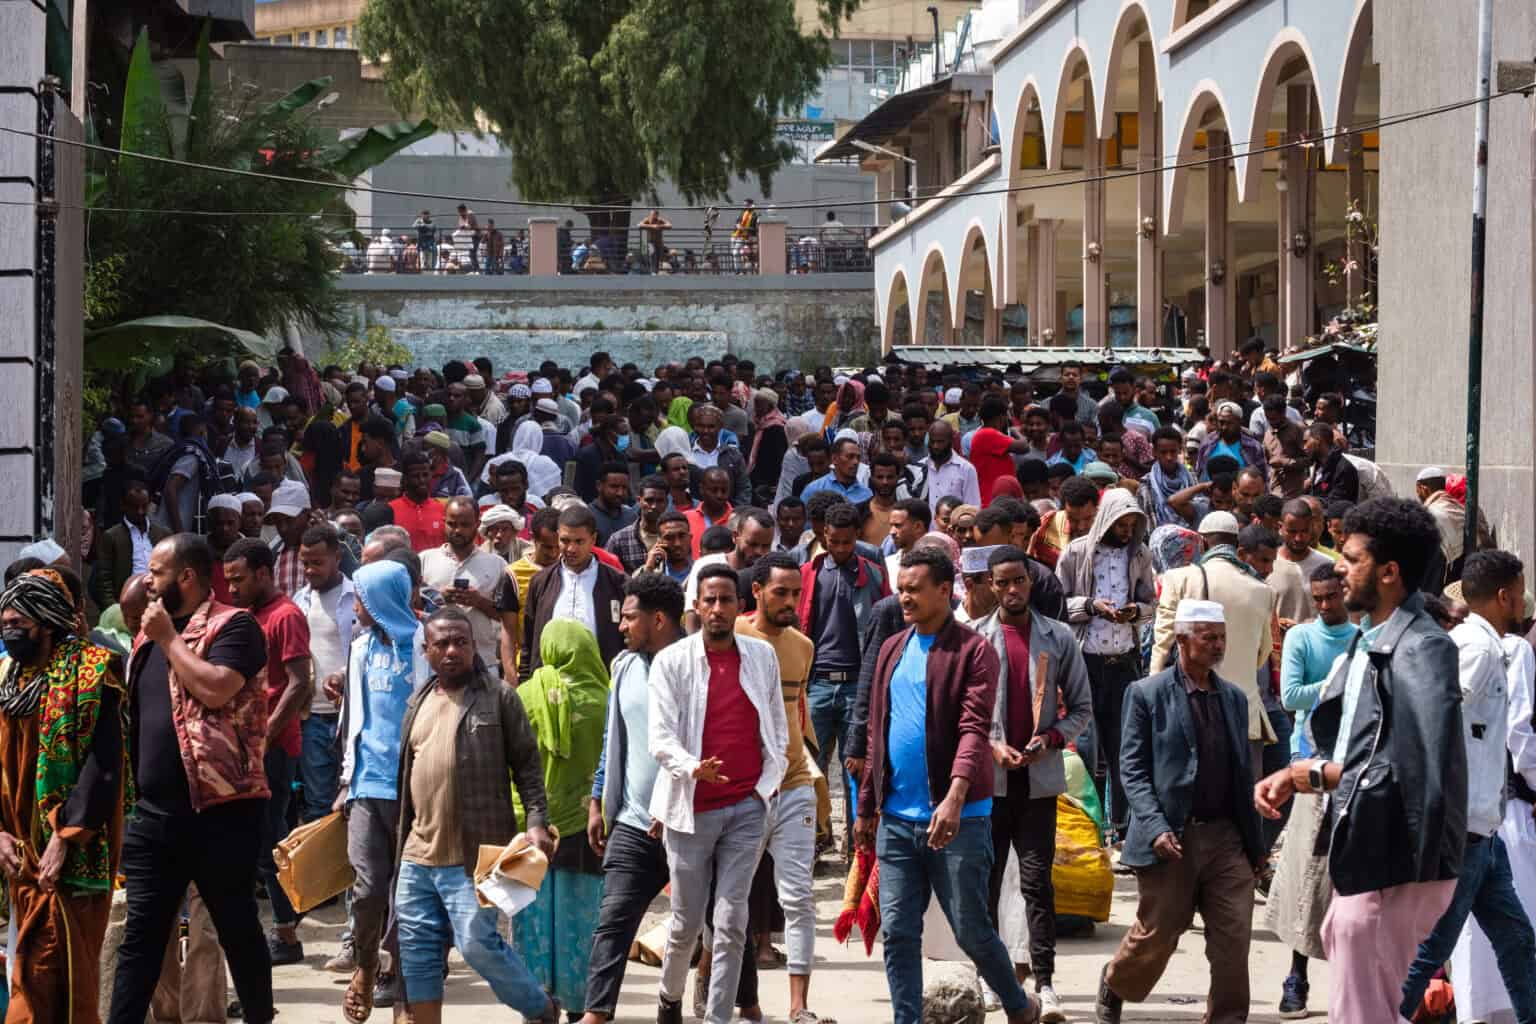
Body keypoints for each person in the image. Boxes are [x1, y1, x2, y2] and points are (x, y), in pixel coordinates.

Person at [1253, 498, 1466, 1024]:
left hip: (1393, 863)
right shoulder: (1371, 640)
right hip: (1370, 857)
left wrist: (1316, 775)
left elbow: (1420, 768)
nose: (1338, 569)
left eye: (1351, 558)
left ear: (1390, 573)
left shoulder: (1421, 648)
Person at [853, 546, 1041, 1024]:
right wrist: (865, 809)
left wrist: (954, 799)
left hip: (961, 819)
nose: (905, 599)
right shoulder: (893, 647)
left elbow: (974, 729)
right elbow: (878, 729)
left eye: (914, 590)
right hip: (897, 819)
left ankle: (1019, 1007)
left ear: (944, 590)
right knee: (897, 930)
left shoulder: (973, 651)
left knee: (971, 929)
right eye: (901, 590)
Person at [108, 535, 275, 1024]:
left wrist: (167, 639)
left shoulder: (235, 626)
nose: (147, 582)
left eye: (156, 573)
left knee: (237, 929)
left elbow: (217, 689)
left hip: (223, 813)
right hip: (157, 818)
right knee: (140, 938)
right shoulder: (147, 637)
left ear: (186, 577)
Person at [1096, 599, 1266, 1024]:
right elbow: (1131, 770)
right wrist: (1154, 826)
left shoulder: (1232, 697)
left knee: (1232, 939)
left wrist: (1256, 847)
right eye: (1209, 638)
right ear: (1182, 641)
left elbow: (1242, 774)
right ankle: (1116, 982)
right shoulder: (1145, 694)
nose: (1218, 646)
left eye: (1222, 638)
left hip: (1225, 839)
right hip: (1171, 837)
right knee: (1159, 934)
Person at [394, 607, 560, 1023]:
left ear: (472, 645)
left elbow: (527, 766)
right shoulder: (416, 702)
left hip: (476, 854)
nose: (453, 650)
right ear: (426, 650)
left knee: (477, 943)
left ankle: (540, 1009)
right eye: (442, 644)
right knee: (416, 955)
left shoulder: (500, 695)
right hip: (417, 855)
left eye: (461, 642)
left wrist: (536, 822)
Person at [1399, 551, 1536, 1020]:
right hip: (1464, 835)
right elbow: (1437, 721)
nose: (1522, 600)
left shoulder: (1490, 646)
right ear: (1504, 596)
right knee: (1429, 951)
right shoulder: (1476, 651)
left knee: (1518, 941)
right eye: (1518, 592)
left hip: (1484, 830)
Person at [649, 564, 788, 1024]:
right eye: (708, 600)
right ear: (696, 605)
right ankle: (669, 998)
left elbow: (776, 728)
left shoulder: (761, 656)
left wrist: (765, 789)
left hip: (747, 808)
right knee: (687, 925)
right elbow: (660, 738)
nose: (717, 608)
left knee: (731, 924)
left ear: (739, 605)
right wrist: (693, 768)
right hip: (690, 810)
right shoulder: (672, 661)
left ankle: (717, 1018)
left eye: (725, 600)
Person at [0, 569, 129, 1023]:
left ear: (49, 621)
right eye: (6, 623)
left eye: (21, 623)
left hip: (73, 850)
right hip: (17, 853)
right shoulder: (6, 677)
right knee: (29, 969)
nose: (10, 632)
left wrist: (65, 837)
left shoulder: (91, 670)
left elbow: (104, 766)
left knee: (59, 973)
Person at [973, 546, 1092, 1022]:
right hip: (992, 781)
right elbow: (965, 714)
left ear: (1030, 581)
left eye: (1018, 580)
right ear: (990, 585)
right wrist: (990, 744)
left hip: (1039, 781)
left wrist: (1054, 737)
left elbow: (1081, 708)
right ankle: (988, 977)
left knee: (1038, 883)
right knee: (986, 880)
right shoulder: (976, 638)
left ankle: (1045, 982)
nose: (1011, 590)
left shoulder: (1057, 637)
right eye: (1002, 583)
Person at [580, 574, 685, 1024]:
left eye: (628, 617)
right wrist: (598, 797)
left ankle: (745, 1004)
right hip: (632, 821)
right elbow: (612, 737)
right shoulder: (623, 665)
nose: (621, 626)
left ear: (657, 619)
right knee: (614, 919)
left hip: (687, 822)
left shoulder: (693, 666)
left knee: (714, 923)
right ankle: (596, 1014)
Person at [336, 559, 431, 1022]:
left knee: (410, 896)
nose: (356, 605)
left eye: (362, 597)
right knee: (370, 888)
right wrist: (344, 780)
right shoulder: (358, 648)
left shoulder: (425, 644)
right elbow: (353, 717)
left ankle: (405, 998)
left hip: (416, 787)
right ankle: (367, 965)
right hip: (366, 784)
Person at [736, 553, 830, 1023]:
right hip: (743, 788)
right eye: (781, 592)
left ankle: (799, 1006)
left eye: (797, 593)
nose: (791, 601)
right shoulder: (731, 635)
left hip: (793, 783)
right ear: (757, 591)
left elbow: (799, 715)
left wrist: (817, 784)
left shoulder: (803, 646)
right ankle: (713, 984)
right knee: (728, 898)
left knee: (798, 898)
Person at [1267, 562, 1359, 1018]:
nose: (1325, 606)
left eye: (1331, 597)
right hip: (1310, 761)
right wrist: (1341, 683)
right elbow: (1291, 696)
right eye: (1317, 598)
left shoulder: (1365, 636)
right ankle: (1296, 977)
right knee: (1307, 874)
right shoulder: (1304, 637)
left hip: (1356, 766)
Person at [221, 536, 313, 965]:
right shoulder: (246, 615)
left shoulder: (286, 615)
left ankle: (286, 934)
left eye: (239, 579)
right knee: (257, 841)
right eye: (228, 581)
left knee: (271, 841)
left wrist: (265, 737)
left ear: (263, 573)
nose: (233, 588)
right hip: (248, 743)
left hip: (274, 748)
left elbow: (299, 683)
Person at [513, 620, 611, 1014]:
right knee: (581, 914)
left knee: (532, 914)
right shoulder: (605, 698)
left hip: (530, 824)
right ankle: (580, 1004)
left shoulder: (525, 696)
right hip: (590, 824)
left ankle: (536, 1002)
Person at [1451, 591, 1536, 1024]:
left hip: (1472, 811)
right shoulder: (1513, 649)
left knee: (1482, 930)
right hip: (1505, 809)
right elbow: (1518, 731)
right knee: (1511, 923)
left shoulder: (1462, 642)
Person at [1054, 487, 1154, 841]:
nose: (1126, 531)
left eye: (1131, 525)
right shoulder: (1076, 553)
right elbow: (1058, 605)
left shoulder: (1139, 554)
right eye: (1120, 524)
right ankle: (1092, 824)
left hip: (1123, 660)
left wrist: (1134, 613)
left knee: (1122, 745)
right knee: (1086, 745)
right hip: (1086, 659)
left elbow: (1150, 603)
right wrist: (1092, 607)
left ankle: (1124, 827)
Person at [1151, 511, 1277, 771]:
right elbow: (1263, 653)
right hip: (1245, 717)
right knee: (1246, 801)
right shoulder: (1262, 590)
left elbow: (1162, 642)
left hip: (1190, 714)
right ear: (1236, 544)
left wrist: (1155, 691)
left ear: (1204, 542)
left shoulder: (1179, 578)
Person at [800, 501, 889, 851]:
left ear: (857, 538)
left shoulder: (875, 574)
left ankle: (857, 849)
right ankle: (813, 843)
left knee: (857, 770)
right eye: (833, 542)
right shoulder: (808, 574)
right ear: (824, 536)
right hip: (818, 682)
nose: (839, 550)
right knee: (811, 770)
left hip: (857, 685)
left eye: (846, 543)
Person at [292, 524, 355, 824]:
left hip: (351, 715)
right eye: (305, 562)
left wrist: (343, 676)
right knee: (317, 803)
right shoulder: (299, 601)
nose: (309, 569)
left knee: (351, 801)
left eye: (317, 562)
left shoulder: (357, 597)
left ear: (337, 557)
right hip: (313, 715)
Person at [521, 505, 627, 677]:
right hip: (549, 686)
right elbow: (528, 640)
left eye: (579, 541)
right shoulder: (540, 582)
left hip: (601, 685)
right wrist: (526, 682)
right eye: (565, 541)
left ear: (593, 539)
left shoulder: (617, 583)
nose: (571, 549)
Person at [420, 497, 509, 673]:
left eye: (465, 524)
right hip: (435, 666)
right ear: (443, 522)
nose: (458, 530)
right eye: (452, 524)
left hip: (482, 663)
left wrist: (479, 602)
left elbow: (507, 618)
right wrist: (439, 598)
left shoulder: (497, 565)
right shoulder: (424, 560)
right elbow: (412, 610)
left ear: (477, 524)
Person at [93, 478, 169, 610]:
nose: (140, 511)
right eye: (134, 507)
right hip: (126, 606)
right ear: (123, 505)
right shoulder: (111, 537)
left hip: (158, 604)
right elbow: (104, 580)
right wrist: (114, 609)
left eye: (144, 506)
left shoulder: (163, 534)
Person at [970, 395, 1047, 504]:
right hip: (992, 499)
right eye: (1006, 416)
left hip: (999, 498)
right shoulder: (987, 434)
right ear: (1001, 417)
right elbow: (1024, 447)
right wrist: (1016, 431)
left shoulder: (988, 434)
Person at [1137, 426, 1203, 528]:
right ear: (1154, 452)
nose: (1169, 457)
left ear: (1180, 450)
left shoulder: (1191, 477)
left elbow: (1198, 508)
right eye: (1163, 452)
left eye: (1173, 451)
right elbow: (1148, 522)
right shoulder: (1146, 484)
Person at [605, 474, 668, 574]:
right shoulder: (619, 540)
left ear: (667, 503)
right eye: (649, 500)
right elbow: (608, 579)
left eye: (660, 501)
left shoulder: (675, 538)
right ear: (639, 501)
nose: (654, 506)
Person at [390, 452, 449, 552]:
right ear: (405, 479)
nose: (422, 480)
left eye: (425, 475)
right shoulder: (390, 509)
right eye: (415, 476)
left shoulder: (443, 509)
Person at [1194, 401, 1267, 481]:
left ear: (1239, 422)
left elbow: (1262, 478)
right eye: (1221, 422)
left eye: (1229, 423)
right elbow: (1199, 471)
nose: (1224, 427)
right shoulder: (1207, 443)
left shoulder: (1253, 447)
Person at [922, 420, 980, 513]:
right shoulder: (921, 467)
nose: (935, 446)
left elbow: (972, 508)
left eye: (940, 442)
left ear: (951, 441)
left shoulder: (965, 469)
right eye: (932, 441)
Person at [684, 468, 737, 560]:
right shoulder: (686, 518)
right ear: (701, 489)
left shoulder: (738, 520)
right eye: (714, 490)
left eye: (724, 490)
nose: (719, 495)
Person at [1304, 421, 1359, 503]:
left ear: (1318, 441)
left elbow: (1336, 504)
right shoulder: (1319, 465)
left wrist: (1308, 503)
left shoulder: (1343, 469)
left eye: (1306, 442)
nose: (1304, 447)